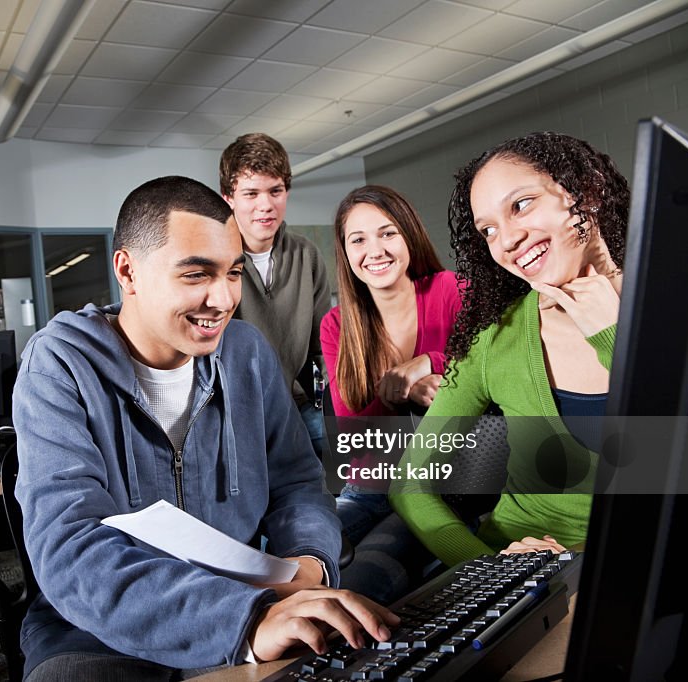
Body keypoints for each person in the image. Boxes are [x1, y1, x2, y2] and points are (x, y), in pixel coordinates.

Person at [13, 176, 397, 682]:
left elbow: (297, 483)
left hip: (249, 596)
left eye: (233, 272)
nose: (223, 298)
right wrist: (244, 620)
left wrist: (308, 560)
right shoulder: (59, 364)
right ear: (128, 271)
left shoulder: (247, 353)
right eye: (196, 275)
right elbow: (69, 545)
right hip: (97, 628)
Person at [390, 132, 630, 566]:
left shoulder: (684, 309)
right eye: (488, 230)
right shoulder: (495, 340)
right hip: (524, 580)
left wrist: (610, 335)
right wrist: (491, 570)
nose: (507, 240)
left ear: (587, 191)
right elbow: (410, 482)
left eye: (521, 204)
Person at [320, 185, 462, 603]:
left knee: (361, 582)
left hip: (441, 484)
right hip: (369, 485)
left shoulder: (449, 290)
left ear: (409, 236)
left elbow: (487, 366)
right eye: (358, 240)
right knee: (293, 563)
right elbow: (353, 432)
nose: (374, 250)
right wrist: (402, 393)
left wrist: (428, 362)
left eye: (387, 233)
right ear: (346, 253)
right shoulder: (336, 325)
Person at [219, 133, 330, 457]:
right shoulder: (216, 257)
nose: (265, 205)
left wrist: (328, 405)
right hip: (237, 413)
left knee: (362, 469)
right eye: (251, 193)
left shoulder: (306, 255)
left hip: (298, 405)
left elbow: (320, 347)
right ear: (229, 197)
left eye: (275, 191)